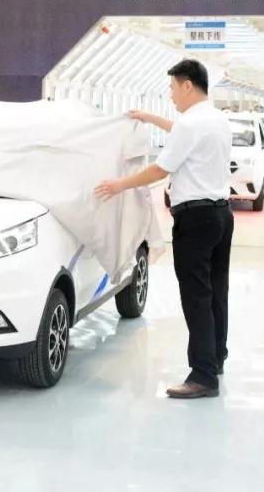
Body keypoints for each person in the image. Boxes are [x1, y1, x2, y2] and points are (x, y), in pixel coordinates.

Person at [94, 59, 233, 399]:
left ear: (187, 85)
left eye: (172, 88)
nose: (171, 95)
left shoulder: (190, 124)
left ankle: (203, 377)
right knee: (216, 291)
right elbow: (183, 133)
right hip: (220, 216)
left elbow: (160, 169)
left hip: (195, 220)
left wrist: (119, 184)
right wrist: (149, 117)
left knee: (196, 297)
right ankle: (215, 358)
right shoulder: (216, 119)